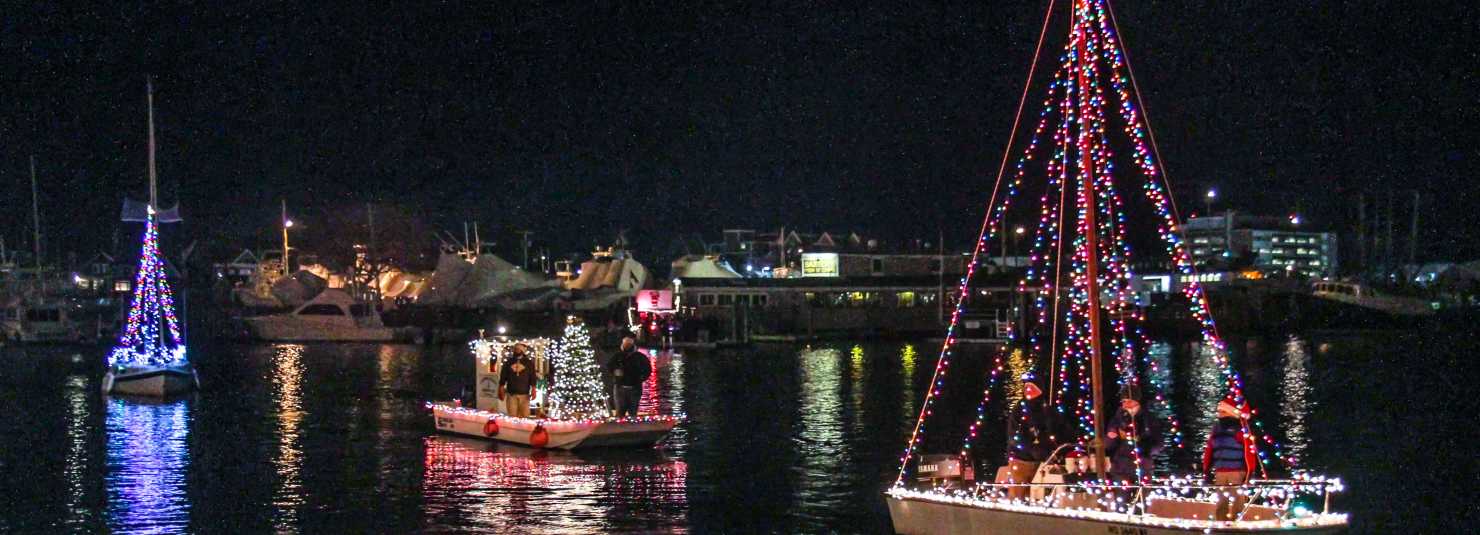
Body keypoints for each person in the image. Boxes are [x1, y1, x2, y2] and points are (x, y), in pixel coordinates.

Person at [1004, 373, 1057, 500]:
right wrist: (1031, 449)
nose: (1028, 390)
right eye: (1026, 387)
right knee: (1017, 496)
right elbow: (1014, 437)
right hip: (1021, 460)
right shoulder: (1018, 410)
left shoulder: (1047, 410)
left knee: (1038, 495)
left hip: (1042, 463)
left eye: (1031, 387)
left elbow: (1056, 430)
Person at [1204, 397, 1257, 520]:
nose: (1220, 415)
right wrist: (1206, 469)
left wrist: (1250, 471)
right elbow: (1209, 450)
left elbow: (1249, 450)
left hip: (1237, 471)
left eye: (1223, 412)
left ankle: (1235, 526)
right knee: (1221, 503)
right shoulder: (1216, 429)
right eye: (1219, 412)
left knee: (1237, 502)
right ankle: (1221, 525)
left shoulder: (1240, 429)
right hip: (1220, 471)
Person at [1105, 384, 1161, 483]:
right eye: (1123, 401)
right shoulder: (1117, 418)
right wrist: (1111, 437)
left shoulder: (1148, 418)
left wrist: (1146, 452)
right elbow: (1109, 445)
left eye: (1128, 401)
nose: (1125, 404)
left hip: (1143, 466)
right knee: (1122, 495)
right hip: (1121, 467)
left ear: (1136, 401)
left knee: (1142, 496)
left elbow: (1158, 442)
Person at [604, 337, 650, 417]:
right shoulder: (617, 356)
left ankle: (630, 426)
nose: (627, 347)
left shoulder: (640, 357)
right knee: (620, 412)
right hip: (620, 388)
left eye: (629, 345)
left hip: (634, 388)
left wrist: (640, 378)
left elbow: (647, 370)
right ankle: (621, 427)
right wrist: (615, 372)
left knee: (632, 412)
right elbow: (609, 367)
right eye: (626, 345)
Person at [499, 343, 536, 418]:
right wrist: (501, 388)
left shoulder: (528, 363)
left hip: (524, 394)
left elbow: (532, 376)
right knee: (512, 416)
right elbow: (503, 376)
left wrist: (534, 389)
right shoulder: (509, 362)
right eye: (515, 349)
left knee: (524, 416)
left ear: (522, 351)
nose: (516, 351)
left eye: (518, 349)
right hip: (511, 393)